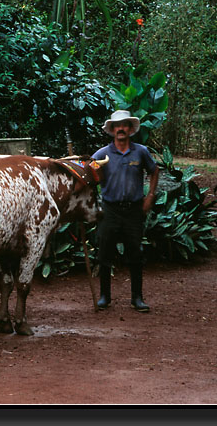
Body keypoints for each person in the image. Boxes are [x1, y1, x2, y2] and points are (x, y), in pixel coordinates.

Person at [92, 110, 159, 312]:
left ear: (130, 129)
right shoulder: (102, 153)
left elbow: (154, 171)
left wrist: (150, 197)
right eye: (117, 126)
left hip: (133, 211)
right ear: (112, 130)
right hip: (110, 210)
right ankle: (105, 297)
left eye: (124, 126)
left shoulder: (140, 152)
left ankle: (137, 298)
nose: (121, 129)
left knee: (135, 254)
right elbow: (88, 167)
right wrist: (92, 170)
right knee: (104, 253)